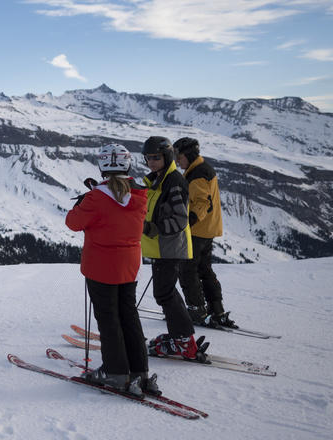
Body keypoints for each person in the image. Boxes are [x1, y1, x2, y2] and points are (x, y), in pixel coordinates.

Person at [65, 143, 159, 398]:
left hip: (100, 266)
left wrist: (85, 200)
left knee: (108, 319)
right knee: (129, 316)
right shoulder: (140, 195)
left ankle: (116, 372)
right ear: (127, 165)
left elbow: (72, 222)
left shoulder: (97, 197)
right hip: (129, 266)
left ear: (102, 166)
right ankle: (139, 371)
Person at [140, 136, 207, 361]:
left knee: (164, 293)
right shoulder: (159, 179)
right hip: (163, 249)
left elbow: (180, 220)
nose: (151, 162)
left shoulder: (174, 182)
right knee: (165, 292)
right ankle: (181, 337)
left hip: (170, 248)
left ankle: (183, 340)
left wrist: (153, 228)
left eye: (156, 158)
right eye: (148, 158)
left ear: (167, 157)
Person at [173, 137, 237, 328]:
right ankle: (216, 309)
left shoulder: (198, 174)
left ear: (188, 155)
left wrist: (189, 220)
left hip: (197, 230)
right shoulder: (201, 168)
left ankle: (197, 310)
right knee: (204, 269)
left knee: (187, 270)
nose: (177, 161)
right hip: (207, 229)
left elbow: (202, 202)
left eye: (179, 156)